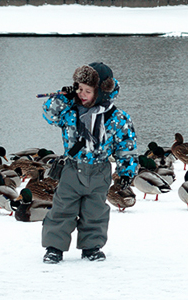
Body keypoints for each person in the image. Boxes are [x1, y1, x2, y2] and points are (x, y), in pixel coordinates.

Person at [40, 62, 138, 263]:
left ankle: (91, 247)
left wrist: (127, 172)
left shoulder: (117, 118)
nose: (82, 95)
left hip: (100, 171)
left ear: (101, 91)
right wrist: (62, 97)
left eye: (88, 91)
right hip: (72, 168)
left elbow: (126, 146)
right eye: (79, 89)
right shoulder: (70, 111)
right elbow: (49, 114)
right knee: (62, 209)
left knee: (95, 212)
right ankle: (54, 247)